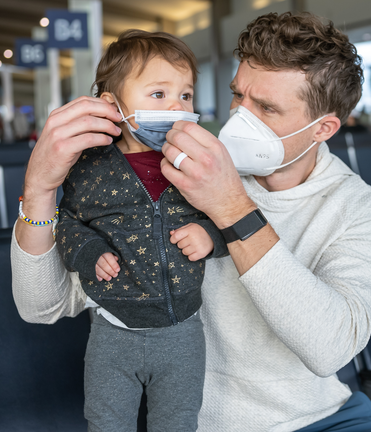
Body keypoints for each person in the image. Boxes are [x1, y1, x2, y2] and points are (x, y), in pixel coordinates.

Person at [11, 11, 371, 432]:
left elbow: (330, 349)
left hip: (325, 418)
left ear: (322, 128)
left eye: (266, 107)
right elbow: (42, 307)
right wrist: (39, 190)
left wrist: (230, 206)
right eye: (238, 96)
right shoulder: (160, 170)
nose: (239, 118)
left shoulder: (359, 206)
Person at [56, 30, 228, 431]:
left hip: (183, 330)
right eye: (158, 94)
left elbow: (227, 216)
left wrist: (209, 236)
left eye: (185, 95)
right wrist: (88, 251)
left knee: (178, 422)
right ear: (113, 105)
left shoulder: (196, 161)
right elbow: (65, 220)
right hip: (113, 330)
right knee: (106, 422)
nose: (176, 107)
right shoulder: (90, 167)